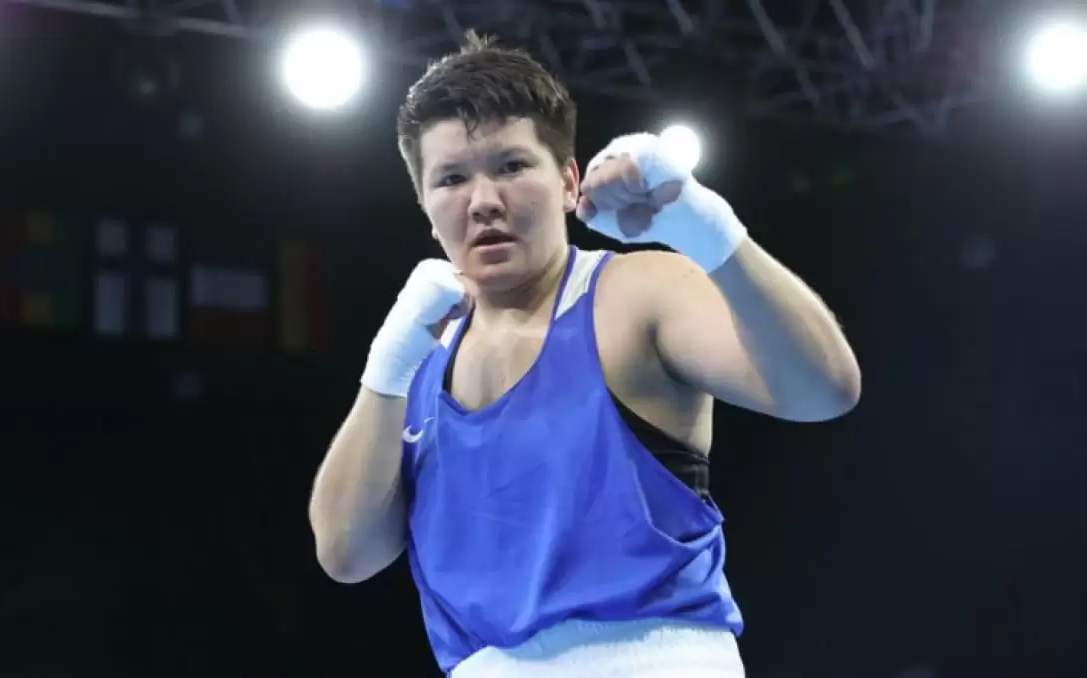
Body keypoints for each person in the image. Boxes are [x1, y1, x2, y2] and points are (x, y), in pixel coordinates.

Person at [308, 31, 860, 678]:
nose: (483, 201)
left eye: (511, 166)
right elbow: (346, 556)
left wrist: (704, 228)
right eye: (452, 178)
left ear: (569, 181)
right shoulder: (417, 361)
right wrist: (385, 367)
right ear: (427, 208)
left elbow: (823, 390)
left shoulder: (634, 294)